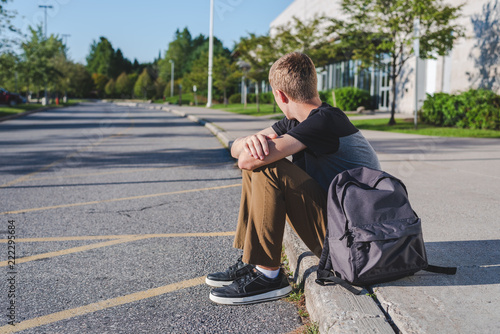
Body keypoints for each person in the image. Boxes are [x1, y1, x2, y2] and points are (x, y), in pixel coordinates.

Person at [206, 52, 381, 305]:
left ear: (280, 95)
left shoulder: (324, 122)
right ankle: (252, 260)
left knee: (268, 166)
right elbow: (236, 148)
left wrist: (251, 148)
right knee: (260, 158)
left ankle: (268, 276)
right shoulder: (300, 121)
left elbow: (246, 160)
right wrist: (248, 141)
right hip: (345, 233)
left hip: (355, 245)